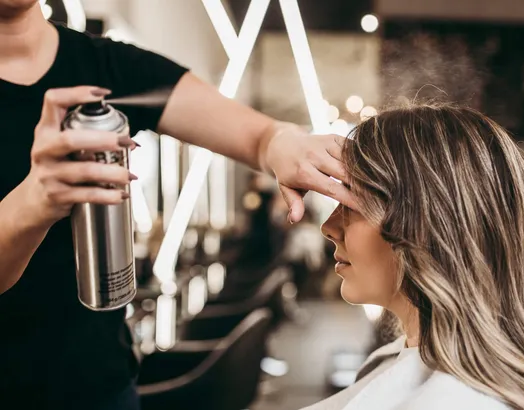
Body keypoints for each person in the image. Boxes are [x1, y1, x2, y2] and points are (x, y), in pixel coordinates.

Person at [0, 1, 353, 409]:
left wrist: (282, 142)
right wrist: (33, 203)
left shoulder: (108, 67)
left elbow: (259, 138)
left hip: (97, 386)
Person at [317, 104, 524, 410]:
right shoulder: (407, 363)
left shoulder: (458, 401)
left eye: (352, 203)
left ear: (428, 224)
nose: (329, 227)